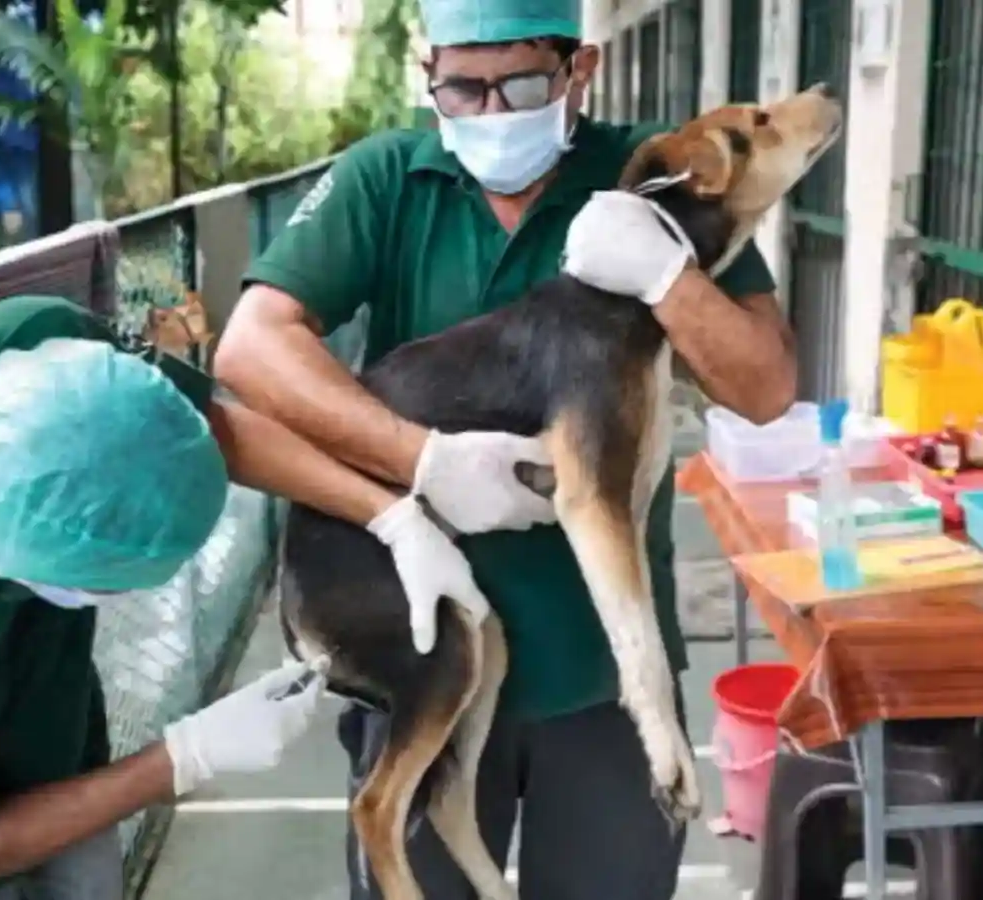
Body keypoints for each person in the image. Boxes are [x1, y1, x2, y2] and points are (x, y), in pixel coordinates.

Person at [213, 0, 797, 896]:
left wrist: (666, 276)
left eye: (520, 82)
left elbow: (764, 389)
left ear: (580, 69)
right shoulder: (388, 178)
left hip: (598, 669)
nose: (489, 112)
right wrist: (421, 460)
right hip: (421, 630)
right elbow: (252, 347)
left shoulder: (655, 177)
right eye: (461, 85)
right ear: (429, 74)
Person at [0, 293, 549, 900]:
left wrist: (389, 515)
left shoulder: (43, 352)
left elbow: (204, 426)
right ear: (16, 560)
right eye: (111, 584)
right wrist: (184, 757)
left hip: (63, 760)